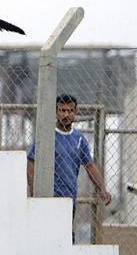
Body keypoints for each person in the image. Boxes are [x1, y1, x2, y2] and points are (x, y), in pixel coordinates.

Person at [27, 94, 112, 229]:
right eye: (62, 110)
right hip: (47, 197)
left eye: (70, 111)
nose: (66, 115)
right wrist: (34, 189)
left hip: (69, 198)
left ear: (75, 112)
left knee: (66, 235)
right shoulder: (47, 135)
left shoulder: (79, 139)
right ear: (56, 112)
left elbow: (89, 166)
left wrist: (102, 189)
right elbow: (31, 162)